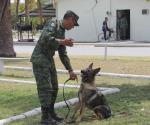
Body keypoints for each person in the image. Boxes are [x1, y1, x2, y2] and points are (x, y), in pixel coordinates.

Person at [30, 10, 79, 125]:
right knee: (45, 88)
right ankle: (45, 117)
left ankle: (51, 113)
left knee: (55, 87)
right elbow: (45, 38)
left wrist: (70, 70)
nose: (73, 27)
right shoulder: (54, 23)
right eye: (74, 24)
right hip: (40, 58)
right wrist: (63, 41)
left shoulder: (62, 32)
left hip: (48, 59)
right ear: (70, 19)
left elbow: (63, 54)